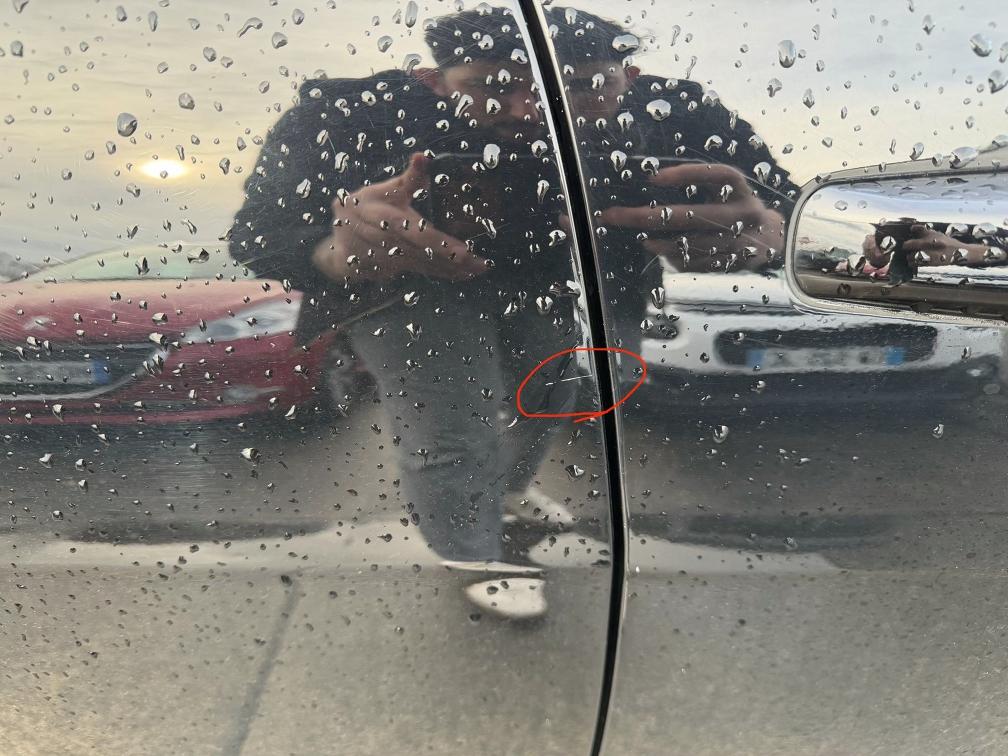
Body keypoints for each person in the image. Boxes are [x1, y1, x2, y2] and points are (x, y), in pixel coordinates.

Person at [228, 5, 795, 619]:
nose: (532, 110)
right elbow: (258, 232)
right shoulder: (351, 110)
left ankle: (503, 491)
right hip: (409, 285)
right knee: (450, 428)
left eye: (582, 87)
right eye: (491, 87)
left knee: (559, 393)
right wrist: (337, 253)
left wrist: (767, 235)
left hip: (569, 279)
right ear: (433, 80)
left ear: (630, 79)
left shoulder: (677, 109)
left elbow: (788, 204)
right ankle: (473, 555)